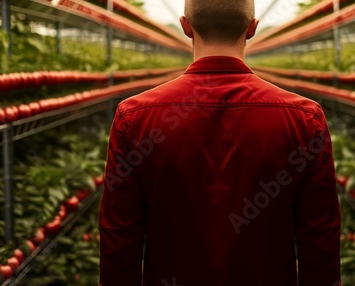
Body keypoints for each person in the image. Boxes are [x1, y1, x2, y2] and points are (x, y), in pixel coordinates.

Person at [98, 0, 341, 285]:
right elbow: (320, 244)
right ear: (252, 29)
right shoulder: (304, 118)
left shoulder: (134, 116)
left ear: (186, 27)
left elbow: (119, 243)